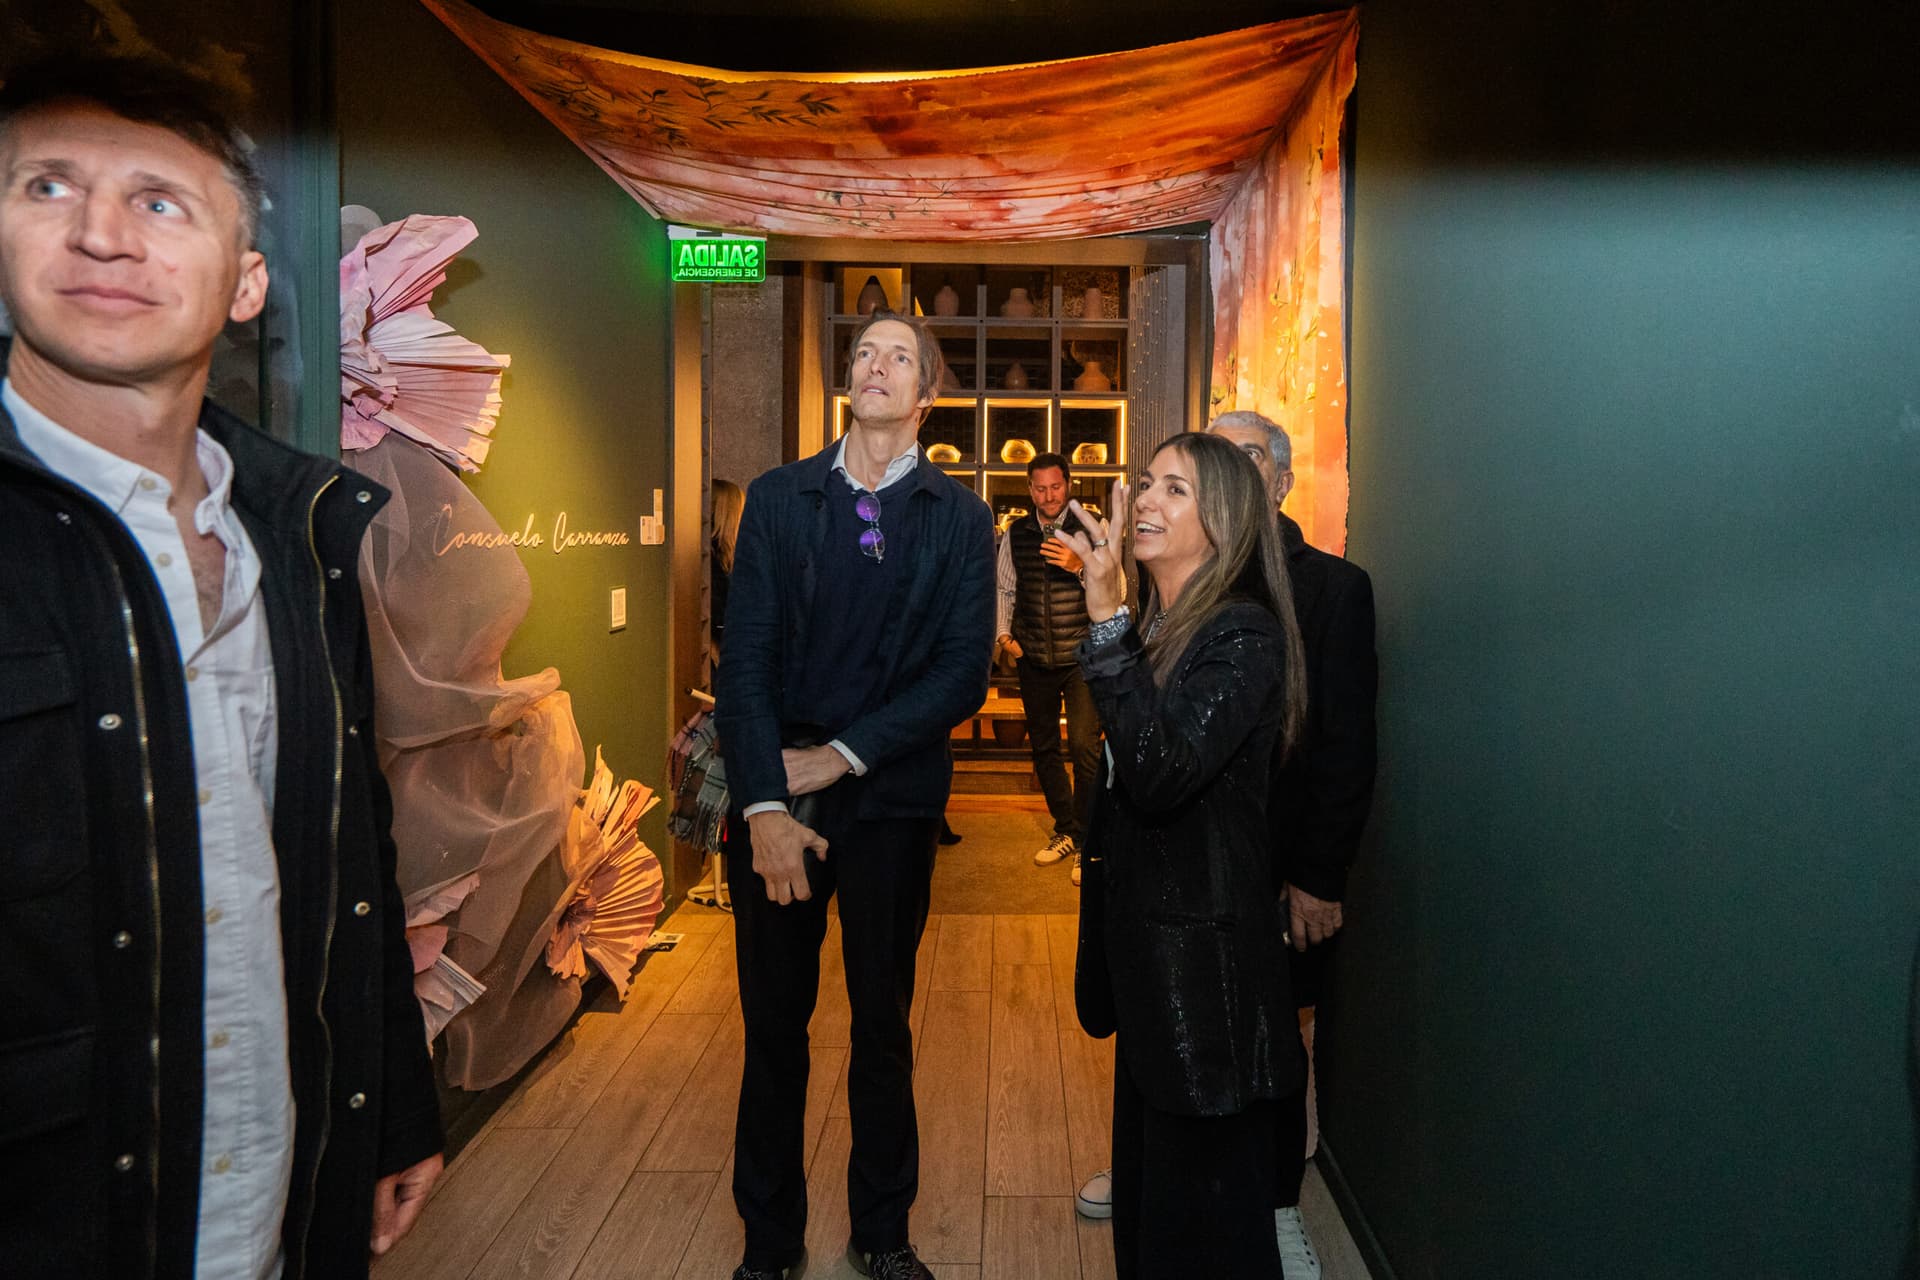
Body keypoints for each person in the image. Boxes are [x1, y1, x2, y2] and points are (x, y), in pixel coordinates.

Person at [0, 55, 442, 1279]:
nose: (101, 233)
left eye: (159, 201)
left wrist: (392, 1100)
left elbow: (350, 850)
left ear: (246, 283)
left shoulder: (299, 537)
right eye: (48, 186)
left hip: (279, 1202)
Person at [716, 308, 994, 1280]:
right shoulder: (779, 497)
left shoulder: (961, 518)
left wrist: (840, 756)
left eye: (898, 356)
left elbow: (961, 676)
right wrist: (763, 806)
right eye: (864, 352)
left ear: (927, 395)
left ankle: (882, 1232)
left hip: (890, 803)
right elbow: (744, 662)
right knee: (772, 1031)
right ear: (850, 382)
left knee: (882, 1026)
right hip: (776, 804)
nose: (875, 365)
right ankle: (769, 1243)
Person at [1053, 432, 1308, 1279]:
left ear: (1224, 521)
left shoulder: (1242, 635)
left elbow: (1159, 773)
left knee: (1204, 1234)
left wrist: (1105, 622)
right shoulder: (1165, 628)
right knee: (1153, 1217)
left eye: (1175, 489)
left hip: (1203, 988)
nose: (1147, 501)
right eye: (1147, 482)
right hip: (1153, 971)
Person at [1210, 410, 1378, 1279]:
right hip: (1186, 870)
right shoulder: (1174, 573)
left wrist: (1317, 877)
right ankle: (1177, 1186)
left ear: (1279, 480)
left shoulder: (1335, 590)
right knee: (1183, 1031)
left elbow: (1345, 747)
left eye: (1245, 455)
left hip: (1277, 876)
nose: (1229, 470)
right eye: (1214, 454)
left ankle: (1276, 1210)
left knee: (1273, 1045)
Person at [993, 450, 1101, 882]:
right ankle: (1067, 830)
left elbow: (1115, 587)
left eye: (1056, 487)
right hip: (1033, 656)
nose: (1049, 495)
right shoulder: (1016, 533)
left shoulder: (1092, 528)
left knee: (1085, 749)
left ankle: (1089, 841)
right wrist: (1005, 637)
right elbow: (1005, 588)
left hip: (1081, 657)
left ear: (1068, 485)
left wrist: (1081, 567)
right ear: (1030, 489)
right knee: (1044, 749)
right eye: (1040, 488)